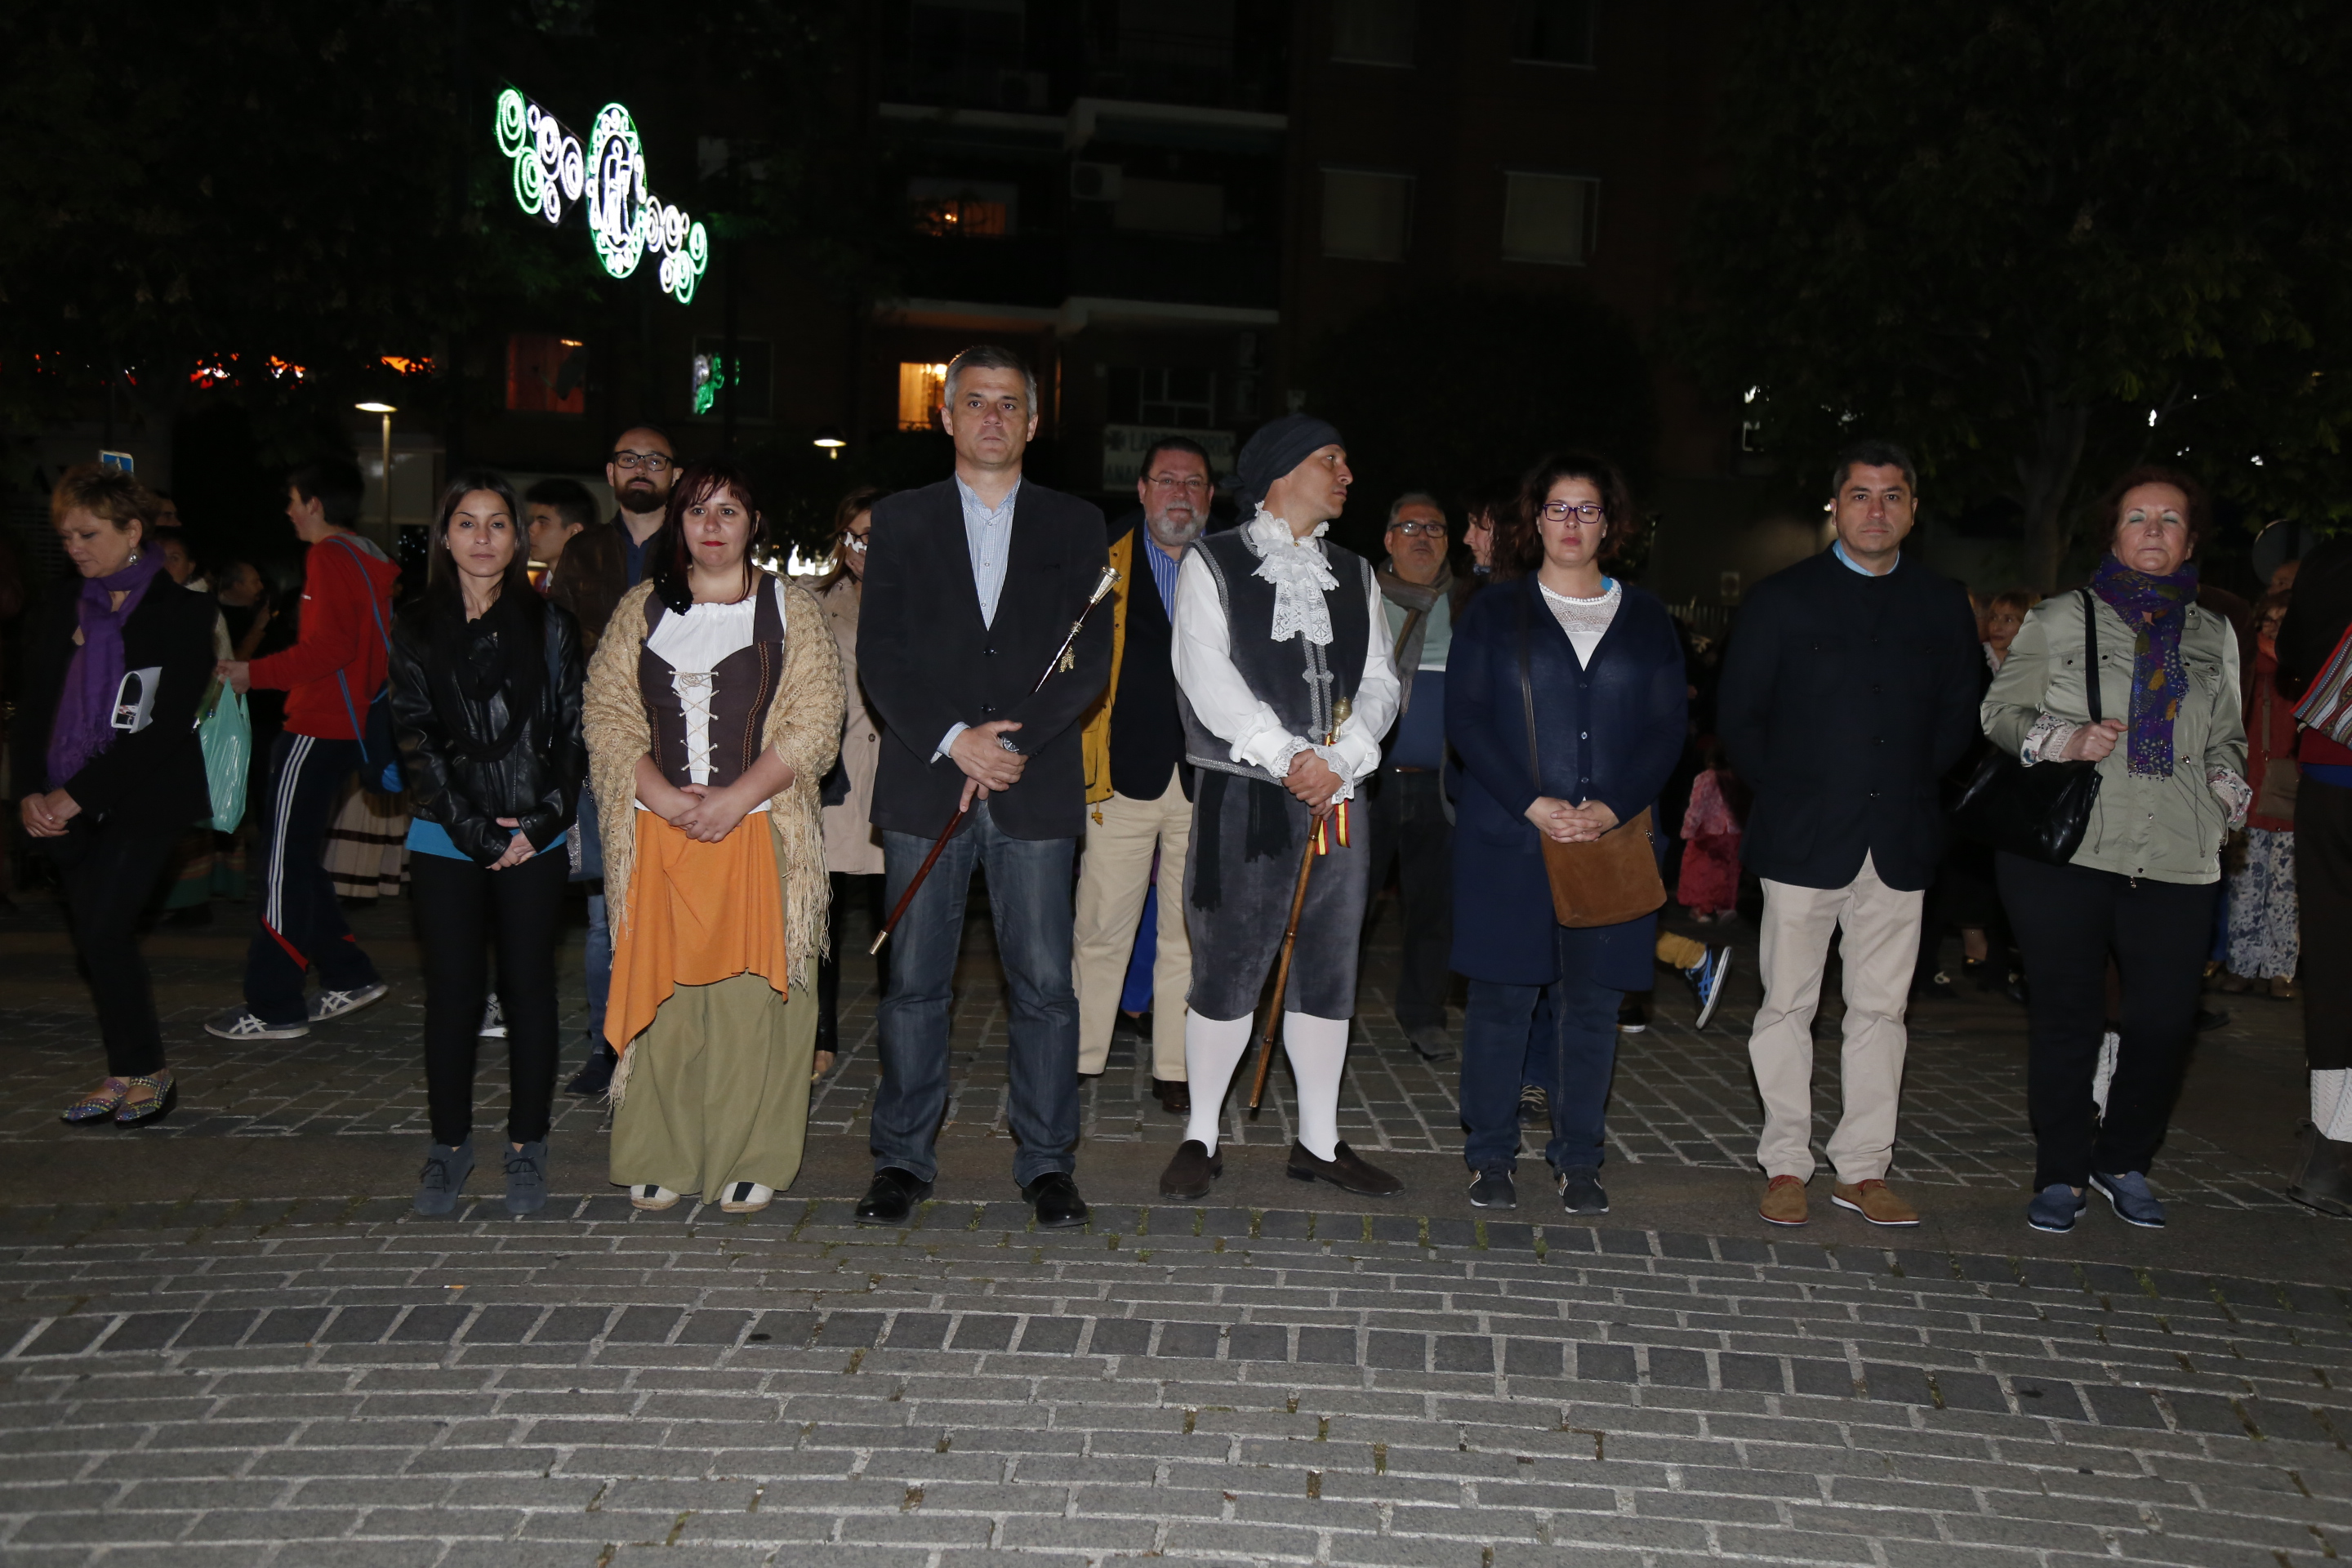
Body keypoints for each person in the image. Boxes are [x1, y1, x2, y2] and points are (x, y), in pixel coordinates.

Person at [853, 345, 1113, 1229]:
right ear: (946, 416)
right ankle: (901, 1161)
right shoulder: (901, 519)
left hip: (1033, 785)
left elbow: (1089, 657)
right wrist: (955, 741)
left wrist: (1012, 745)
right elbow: (881, 653)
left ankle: (1047, 1164)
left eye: (1009, 403)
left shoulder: (1076, 524)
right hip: (927, 780)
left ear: (1033, 422)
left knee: (1044, 986)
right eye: (975, 401)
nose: (992, 417)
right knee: (914, 985)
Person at [1715, 440, 1980, 1228]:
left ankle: (1864, 1168)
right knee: (1786, 1007)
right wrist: (1794, 792)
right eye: (1861, 495)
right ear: (1836, 506)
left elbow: (1958, 717)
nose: (1876, 510)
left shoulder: (1942, 603)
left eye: (1892, 496)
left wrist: (1905, 787)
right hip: (1802, 837)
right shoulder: (1781, 599)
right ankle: (1786, 1163)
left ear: (1913, 510)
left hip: (1900, 837)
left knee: (1882, 1012)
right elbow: (1740, 718)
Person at [1984, 467, 2247, 1233]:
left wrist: (2224, 793)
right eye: (2138, 517)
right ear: (2113, 536)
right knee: (2067, 1018)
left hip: (2177, 854)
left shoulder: (2214, 632)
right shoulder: (2061, 617)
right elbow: (2000, 712)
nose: (2154, 530)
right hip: (2068, 852)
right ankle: (2061, 1172)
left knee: (2163, 1023)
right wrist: (2064, 739)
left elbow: (2228, 735)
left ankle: (2123, 1158)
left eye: (2170, 519)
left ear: (2191, 542)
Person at [584, 459, 842, 1214]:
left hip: (759, 833)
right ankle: (660, 1150)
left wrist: (736, 800)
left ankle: (751, 1153)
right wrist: (664, 798)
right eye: (697, 510)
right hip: (658, 836)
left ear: (753, 523)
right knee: (664, 1002)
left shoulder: (791, 609)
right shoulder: (640, 609)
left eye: (729, 510)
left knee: (753, 1006)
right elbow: (606, 714)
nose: (712, 525)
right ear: (679, 522)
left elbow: (817, 720)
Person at [1156, 413, 1402, 1202]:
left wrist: (1342, 758)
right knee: (1228, 962)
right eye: (1332, 459)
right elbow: (1204, 671)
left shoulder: (1356, 572)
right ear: (1283, 471)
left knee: (1328, 965)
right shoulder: (1215, 562)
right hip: (1248, 799)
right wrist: (1287, 755)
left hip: (1338, 798)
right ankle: (1201, 1133)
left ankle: (1320, 1142)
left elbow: (1381, 680)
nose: (1346, 475)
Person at [1445, 452, 1686, 1212]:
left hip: (1611, 845)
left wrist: (1613, 805)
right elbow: (1467, 719)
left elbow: (1667, 728)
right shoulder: (1494, 612)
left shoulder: (1646, 619)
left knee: (1590, 1009)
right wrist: (1531, 801)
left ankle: (1580, 1157)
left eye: (1588, 509)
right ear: (1536, 520)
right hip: (1511, 839)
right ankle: (1490, 1154)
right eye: (1558, 508)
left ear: (1610, 524)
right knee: (1501, 1004)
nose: (1572, 523)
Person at [389, 472, 586, 1215]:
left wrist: (539, 824)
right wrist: (473, 831)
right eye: (466, 522)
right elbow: (416, 738)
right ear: (445, 536)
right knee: (452, 993)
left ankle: (527, 1143)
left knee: (529, 989)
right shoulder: (415, 626)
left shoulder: (553, 625)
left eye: (497, 522)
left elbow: (574, 733)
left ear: (518, 537)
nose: (481, 537)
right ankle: (449, 1144)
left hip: (534, 836)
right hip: (447, 836)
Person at [21, 467, 218, 1125]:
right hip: (62, 798)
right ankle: (127, 1069)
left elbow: (166, 724)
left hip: (144, 797)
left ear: (133, 531)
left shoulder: (183, 611)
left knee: (105, 928)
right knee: (97, 940)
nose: (73, 547)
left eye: (88, 534)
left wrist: (76, 794)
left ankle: (149, 1071)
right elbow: (36, 706)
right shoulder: (63, 606)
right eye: (66, 536)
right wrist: (29, 792)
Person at [207, 459, 401, 1040]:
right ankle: (347, 972)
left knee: (279, 866)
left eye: (294, 500)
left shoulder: (329, 556)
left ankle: (274, 1005)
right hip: (351, 725)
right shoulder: (367, 558)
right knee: (295, 859)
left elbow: (329, 648)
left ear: (315, 503)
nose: (289, 511)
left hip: (318, 726)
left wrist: (253, 673)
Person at [1071, 437, 1210, 1115]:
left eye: (1194, 482)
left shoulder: (1233, 565)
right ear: (1144, 489)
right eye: (1167, 480)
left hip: (1207, 780)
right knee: (1101, 924)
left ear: (1209, 496)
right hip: (1120, 775)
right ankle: (1079, 1056)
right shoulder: (1101, 558)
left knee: (1187, 931)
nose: (1180, 494)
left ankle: (1175, 1067)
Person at [554, 427, 679, 1097]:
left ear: (673, 473)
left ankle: (676, 1048)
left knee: (682, 903)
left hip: (685, 749)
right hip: (600, 752)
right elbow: (557, 649)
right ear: (610, 472)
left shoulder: (692, 545)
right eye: (629, 459)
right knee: (607, 914)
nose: (641, 469)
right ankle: (610, 1048)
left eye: (654, 461)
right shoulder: (583, 552)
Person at [1364, 491, 1474, 1062]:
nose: (1423, 537)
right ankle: (1323, 1014)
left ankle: (1424, 1017)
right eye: (1410, 527)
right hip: (1369, 784)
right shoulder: (1361, 596)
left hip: (1442, 788)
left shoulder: (1469, 605)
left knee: (1434, 912)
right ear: (1388, 539)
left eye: (1435, 528)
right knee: (1349, 909)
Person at [2278, 531, 2352, 1213]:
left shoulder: (2331, 561)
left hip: (2333, 775)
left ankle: (2333, 1146)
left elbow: (2293, 666)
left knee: (2332, 961)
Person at [815, 485, 888, 1081]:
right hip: (832, 783)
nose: (865, 547)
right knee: (821, 922)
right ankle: (819, 1037)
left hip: (897, 780)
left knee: (897, 924)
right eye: (856, 535)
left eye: (877, 536)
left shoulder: (926, 601)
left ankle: (900, 1039)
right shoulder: (813, 603)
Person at [2220, 589, 2299, 999]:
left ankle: (2279, 969)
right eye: (2268, 621)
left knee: (2285, 889)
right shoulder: (2244, 665)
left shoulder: (2301, 671)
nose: (2274, 630)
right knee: (2246, 885)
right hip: (2247, 788)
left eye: (2283, 622)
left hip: (2286, 791)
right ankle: (2242, 965)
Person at [1677, 746, 1741, 923]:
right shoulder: (1737, 778)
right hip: (1733, 832)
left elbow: (1697, 806)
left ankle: (1700, 908)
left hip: (1708, 832)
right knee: (1729, 870)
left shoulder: (1706, 778)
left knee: (1701, 870)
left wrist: (1688, 829)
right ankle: (1725, 907)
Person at [524, 477, 597, 592]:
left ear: (574, 532)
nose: (531, 530)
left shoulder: (595, 590)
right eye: (531, 522)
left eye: (543, 523)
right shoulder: (541, 583)